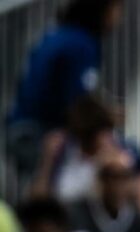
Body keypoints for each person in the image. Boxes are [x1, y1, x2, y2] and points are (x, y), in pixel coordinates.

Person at [5, 0, 124, 183]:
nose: (118, 17)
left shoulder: (59, 35)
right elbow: (77, 105)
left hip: (21, 129)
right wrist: (107, 116)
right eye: (116, 8)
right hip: (38, 134)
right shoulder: (80, 44)